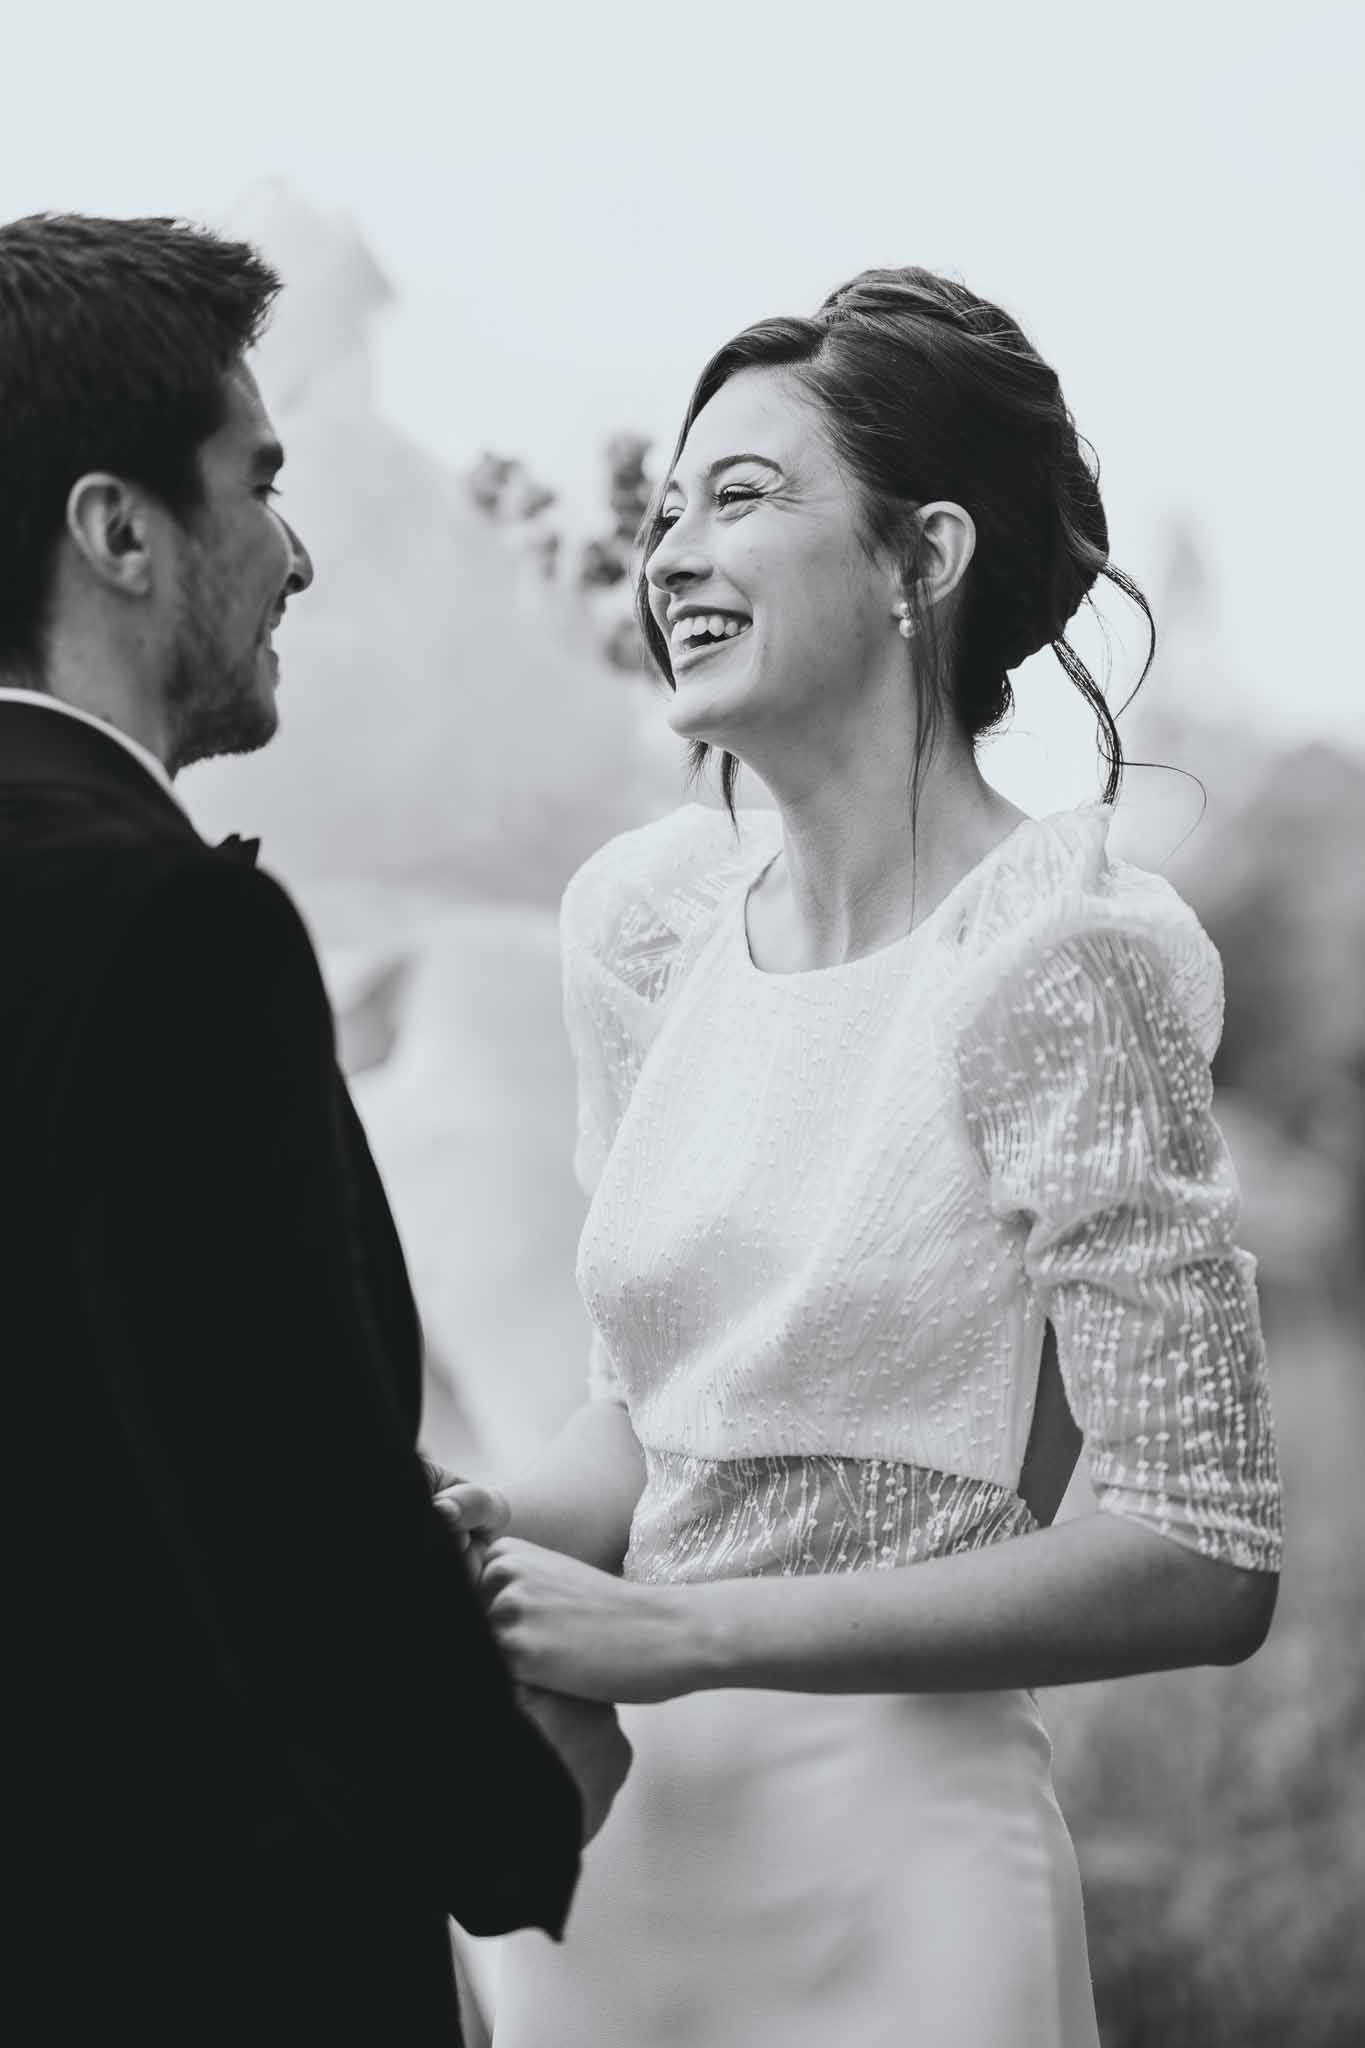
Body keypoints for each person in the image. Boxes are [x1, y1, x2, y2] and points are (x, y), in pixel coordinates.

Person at [438, 267, 1283, 2047]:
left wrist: (702, 1635)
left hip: (890, 1879)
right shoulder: (640, 928)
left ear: (924, 558)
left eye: (740, 500)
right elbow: (648, 1423)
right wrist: (489, 1529)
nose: (668, 554)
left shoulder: (1062, 958)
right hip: (599, 1868)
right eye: (664, 510)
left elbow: (1199, 1554)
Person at [0, 212, 629, 2046]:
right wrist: (518, 1806)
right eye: (257, 484)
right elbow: (280, 1508)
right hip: (190, 1951)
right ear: (121, 531)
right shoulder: (170, 933)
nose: (297, 551)